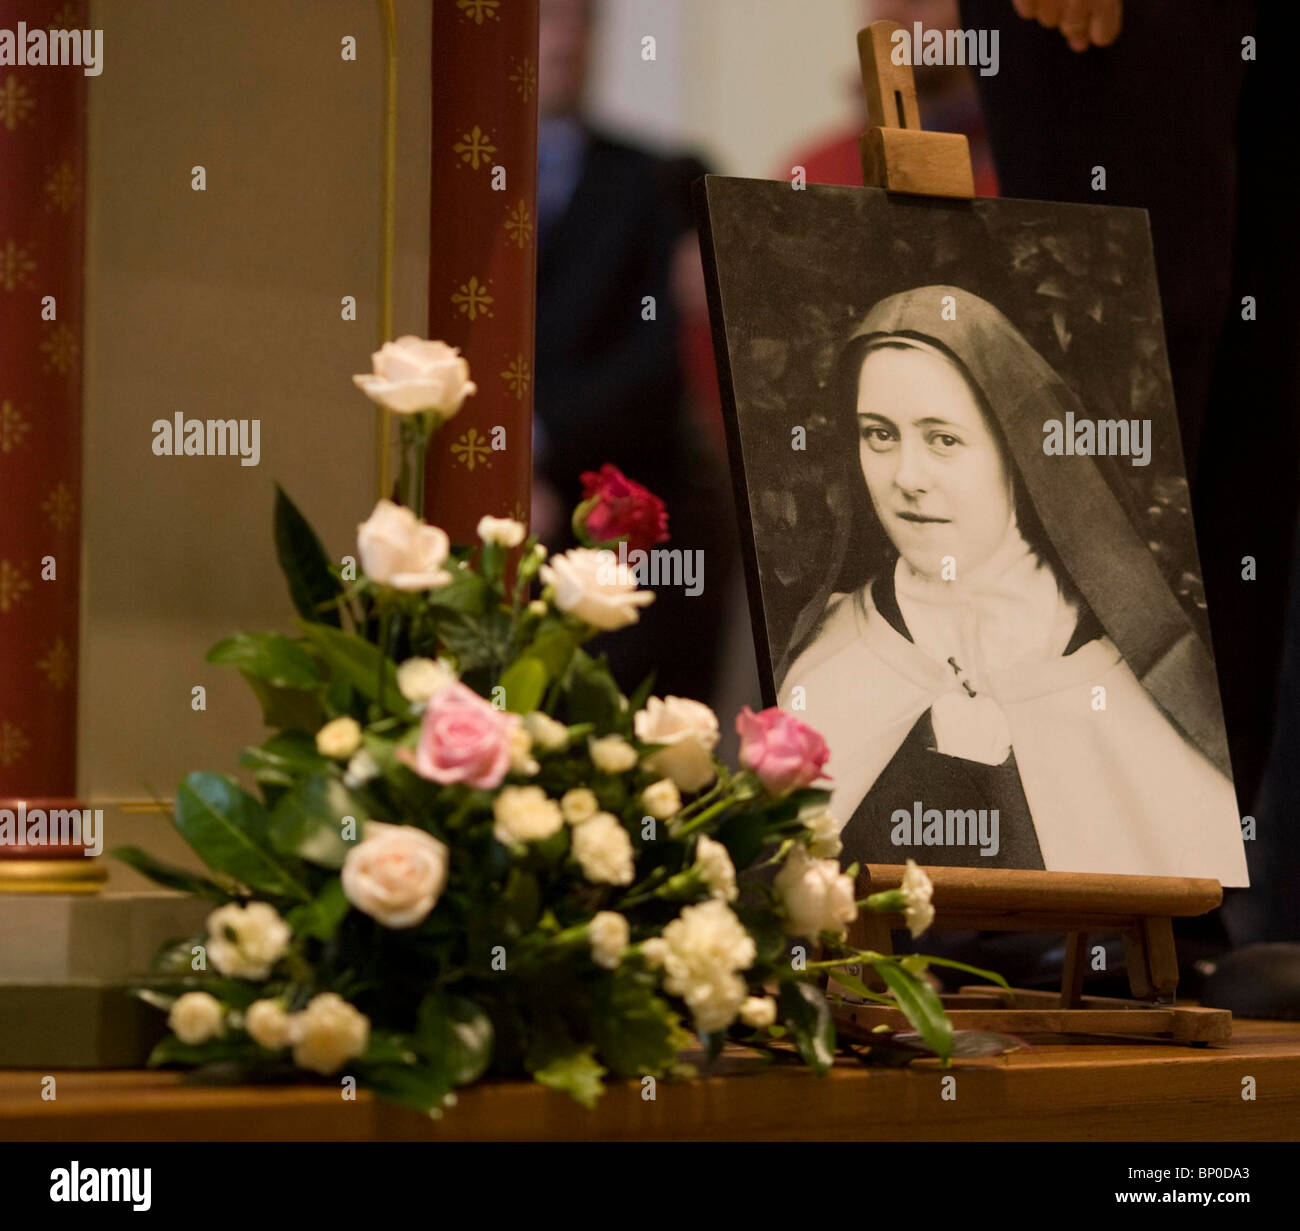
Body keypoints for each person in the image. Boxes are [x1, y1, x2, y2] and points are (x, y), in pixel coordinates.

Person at [777, 286, 1246, 886]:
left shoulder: (1117, 673)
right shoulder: (829, 658)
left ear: (1018, 453)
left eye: (943, 439)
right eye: (879, 435)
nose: (907, 478)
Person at [533, 0, 736, 702]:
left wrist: (533, 447)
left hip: (623, 513)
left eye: (576, 21)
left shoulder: (662, 181)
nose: (561, 43)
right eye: (539, 21)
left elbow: (660, 365)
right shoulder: (436, 179)